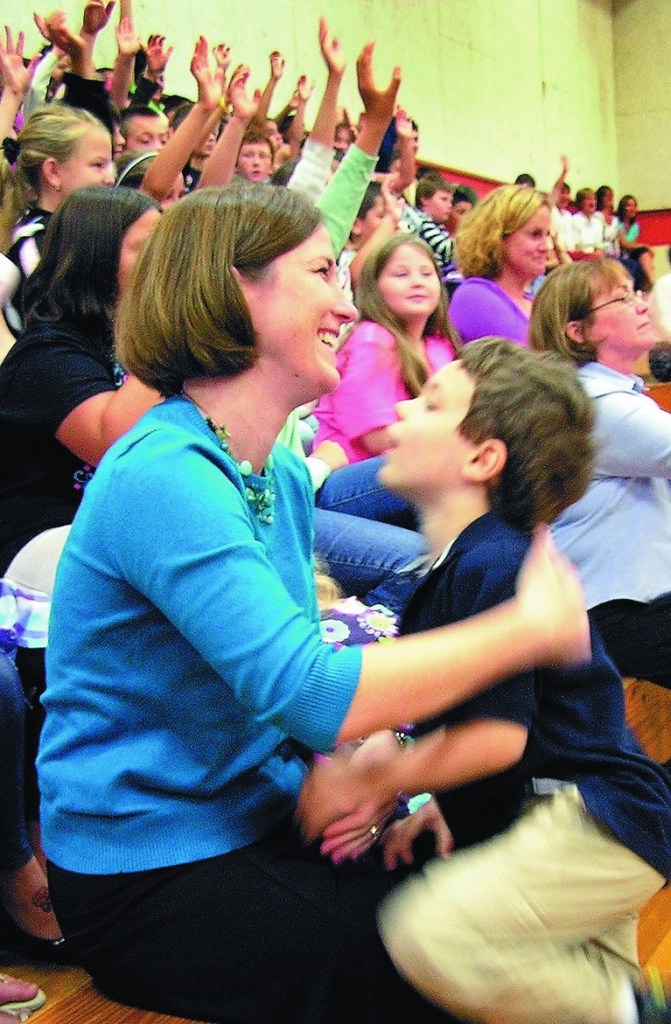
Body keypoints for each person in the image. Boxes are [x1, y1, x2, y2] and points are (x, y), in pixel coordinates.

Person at [36, 184, 590, 1024]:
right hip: (148, 875)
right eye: (323, 273)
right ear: (232, 289)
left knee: (488, 902)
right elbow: (311, 689)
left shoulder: (279, 471)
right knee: (440, 960)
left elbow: (301, 697)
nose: (343, 301)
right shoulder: (164, 473)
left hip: (256, 818)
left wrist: (370, 777)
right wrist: (523, 630)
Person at [299, 338, 671, 1024]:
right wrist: (442, 800)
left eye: (431, 402)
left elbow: (496, 739)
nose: (403, 409)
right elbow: (515, 718)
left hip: (591, 817)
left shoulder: (493, 563)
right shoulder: (456, 565)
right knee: (558, 991)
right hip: (580, 810)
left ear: (480, 458)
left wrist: (383, 777)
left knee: (431, 933)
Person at [529, 258, 671, 687]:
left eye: (637, 292)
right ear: (579, 332)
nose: (641, 305)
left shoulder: (613, 395)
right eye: (623, 298)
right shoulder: (594, 405)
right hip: (616, 613)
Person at [314, 234, 460, 464]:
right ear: (375, 287)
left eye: (427, 273)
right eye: (401, 274)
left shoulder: (439, 347)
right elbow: (377, 438)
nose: (417, 282)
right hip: (357, 474)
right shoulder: (372, 340)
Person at [449, 184, 550, 345]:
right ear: (497, 237)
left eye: (547, 235)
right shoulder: (473, 297)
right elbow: (532, 365)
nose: (546, 247)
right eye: (535, 235)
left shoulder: (535, 302)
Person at [614, 194, 654, 293]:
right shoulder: (617, 223)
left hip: (630, 254)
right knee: (643, 251)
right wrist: (644, 246)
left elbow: (633, 245)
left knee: (644, 255)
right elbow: (624, 244)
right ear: (623, 208)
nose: (633, 209)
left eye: (634, 206)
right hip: (618, 254)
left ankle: (652, 284)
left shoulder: (635, 226)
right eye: (629, 206)